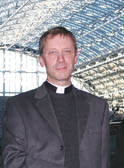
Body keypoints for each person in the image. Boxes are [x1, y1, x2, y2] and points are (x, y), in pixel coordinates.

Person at [2, 26, 110, 168]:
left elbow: (103, 161)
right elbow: (12, 162)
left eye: (66, 52)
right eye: (52, 53)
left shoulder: (98, 106)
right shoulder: (19, 106)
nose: (61, 59)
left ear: (75, 57)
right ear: (41, 60)